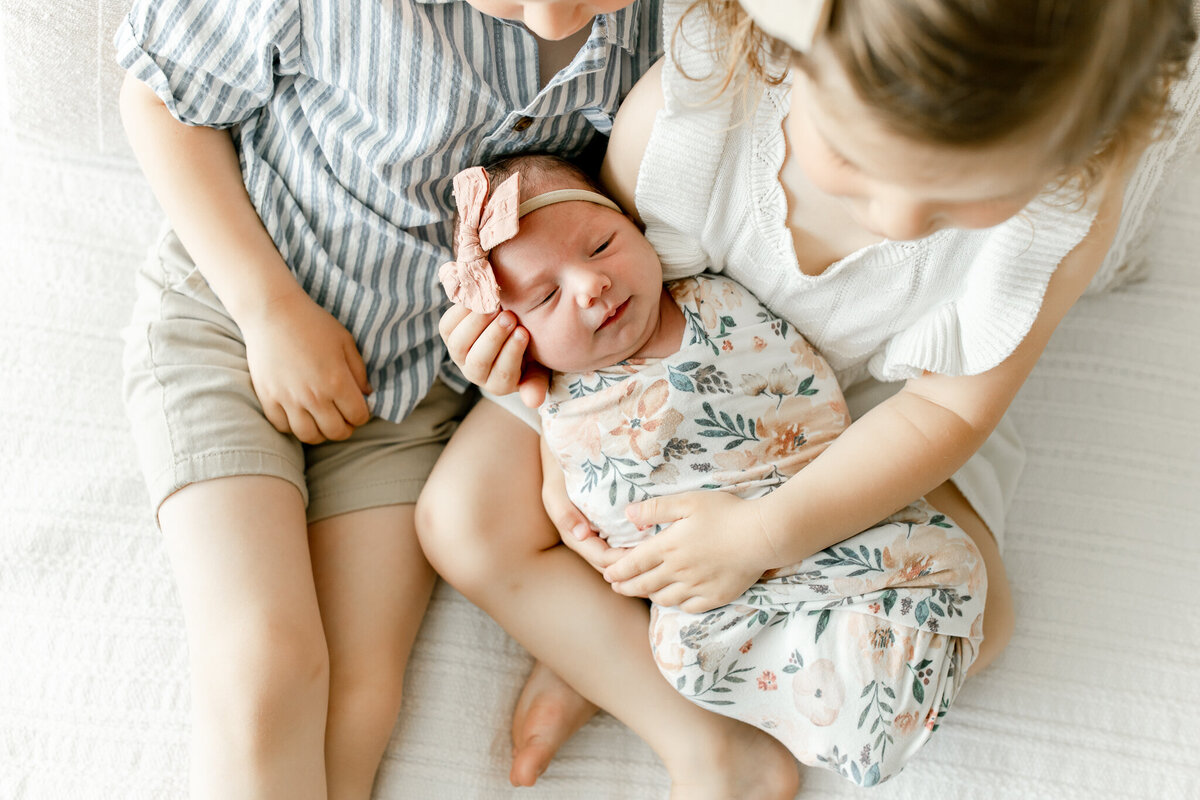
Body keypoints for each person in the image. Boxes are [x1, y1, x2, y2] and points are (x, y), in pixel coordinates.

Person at [421, 0, 1195, 789]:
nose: (899, 219)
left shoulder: (1054, 215)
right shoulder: (704, 99)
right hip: (654, 365)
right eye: (856, 158)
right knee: (461, 520)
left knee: (979, 617)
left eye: (963, 192)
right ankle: (697, 731)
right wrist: (545, 410)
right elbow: (608, 270)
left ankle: (633, 643)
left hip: (871, 418)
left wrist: (763, 536)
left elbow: (947, 411)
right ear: (790, 41)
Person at [113, 0, 662, 796]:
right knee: (268, 664)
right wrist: (270, 311)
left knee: (360, 704)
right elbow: (156, 98)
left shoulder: (649, 30)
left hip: (402, 395)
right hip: (233, 325)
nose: (553, 13)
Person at [438, 152, 988, 785]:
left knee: (948, 582)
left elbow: (807, 404)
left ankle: (844, 696)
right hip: (709, 593)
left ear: (635, 225)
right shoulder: (556, 396)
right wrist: (549, 441)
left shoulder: (709, 290)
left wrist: (765, 527)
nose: (591, 284)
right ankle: (753, 720)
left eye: (602, 245)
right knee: (683, 650)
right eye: (546, 295)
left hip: (814, 510)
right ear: (514, 335)